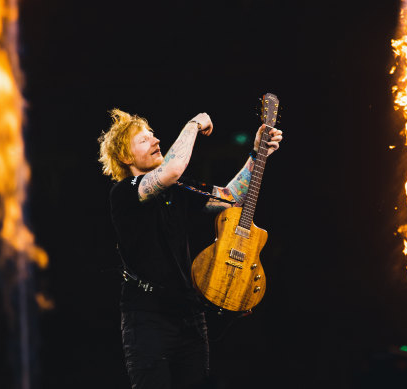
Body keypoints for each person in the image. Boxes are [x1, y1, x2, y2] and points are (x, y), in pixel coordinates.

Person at [98, 109, 283, 389]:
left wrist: (257, 156)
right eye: (144, 140)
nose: (156, 140)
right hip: (147, 317)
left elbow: (230, 198)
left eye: (154, 134)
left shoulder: (179, 188)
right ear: (125, 157)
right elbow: (172, 170)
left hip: (188, 315)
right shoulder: (124, 192)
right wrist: (194, 123)